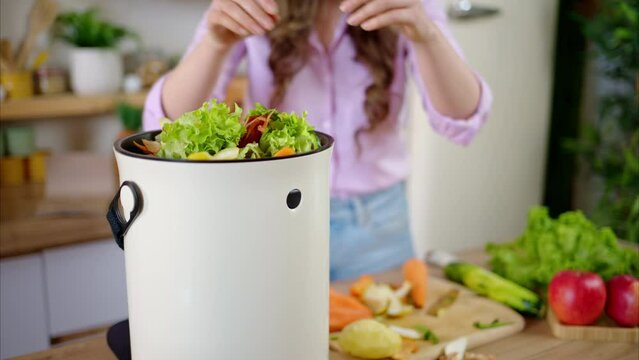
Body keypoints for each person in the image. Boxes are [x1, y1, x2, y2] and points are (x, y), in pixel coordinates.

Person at [143, 0, 492, 280]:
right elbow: (166, 126)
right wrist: (214, 43)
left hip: (378, 228)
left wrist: (425, 33)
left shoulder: (412, 5)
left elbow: (463, 121)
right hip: (274, 221)